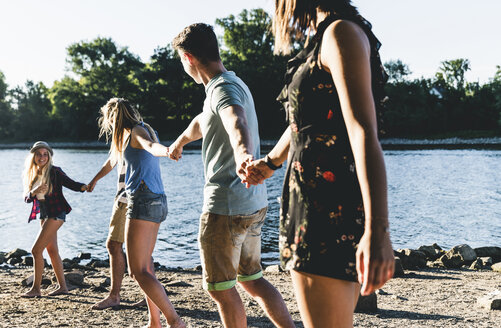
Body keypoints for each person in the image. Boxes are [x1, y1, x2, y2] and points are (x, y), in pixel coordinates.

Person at [241, 1, 395, 327]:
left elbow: (363, 131)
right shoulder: (328, 34)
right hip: (315, 205)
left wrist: (377, 230)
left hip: (327, 210)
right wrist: (270, 162)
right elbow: (306, 121)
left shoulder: (341, 33)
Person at [170, 23, 295, 328]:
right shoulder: (230, 83)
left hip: (225, 206)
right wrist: (180, 142)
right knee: (252, 281)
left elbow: (234, 120)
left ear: (188, 58)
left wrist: (244, 156)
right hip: (252, 203)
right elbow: (204, 122)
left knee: (221, 290)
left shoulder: (222, 90)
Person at [98, 98, 185, 328]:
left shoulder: (137, 131)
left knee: (138, 271)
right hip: (157, 200)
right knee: (145, 266)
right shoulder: (144, 128)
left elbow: (150, 147)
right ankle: (154, 322)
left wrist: (166, 151)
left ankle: (174, 321)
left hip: (143, 201)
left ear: (114, 117)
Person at [22, 141, 87, 298]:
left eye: (45, 154)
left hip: (56, 214)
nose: (42, 157)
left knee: (36, 250)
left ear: (49, 156)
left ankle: (36, 289)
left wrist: (85, 187)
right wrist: (34, 191)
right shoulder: (33, 173)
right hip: (44, 215)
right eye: (39, 154)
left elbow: (71, 184)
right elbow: (27, 198)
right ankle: (63, 287)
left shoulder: (55, 171)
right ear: (34, 156)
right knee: (52, 251)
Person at [87, 158, 146, 310]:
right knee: (121, 246)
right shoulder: (121, 139)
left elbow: (150, 157)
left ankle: (115, 296)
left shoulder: (140, 133)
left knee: (117, 245)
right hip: (123, 197)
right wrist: (95, 179)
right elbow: (111, 161)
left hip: (131, 197)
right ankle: (146, 295)